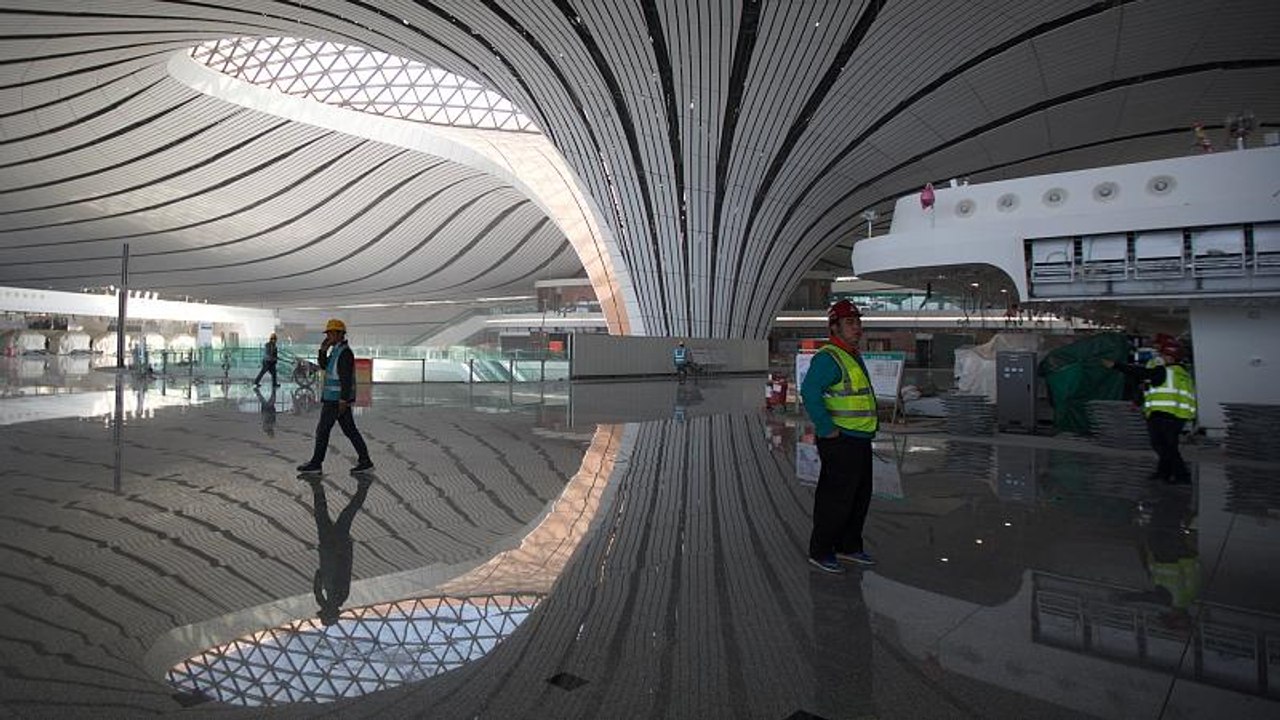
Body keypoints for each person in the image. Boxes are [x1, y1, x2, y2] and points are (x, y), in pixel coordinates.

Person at [800, 300, 878, 574]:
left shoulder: (852, 354)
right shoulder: (829, 357)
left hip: (859, 438)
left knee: (859, 496)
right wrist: (826, 429)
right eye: (850, 323)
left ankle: (848, 546)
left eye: (858, 322)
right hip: (839, 439)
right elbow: (809, 392)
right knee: (836, 498)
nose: (857, 328)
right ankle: (821, 551)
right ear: (834, 328)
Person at [1102, 337, 1196, 484]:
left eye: (1163, 354)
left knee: (1165, 447)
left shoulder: (1164, 371)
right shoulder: (1181, 372)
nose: (1160, 357)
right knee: (1166, 446)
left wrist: (1116, 365)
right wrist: (1139, 400)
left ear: (1170, 356)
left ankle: (1181, 476)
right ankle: (1164, 473)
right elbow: (1148, 383)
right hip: (1176, 415)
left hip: (1164, 414)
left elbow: (1142, 373)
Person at [296, 319, 374, 474]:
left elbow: (345, 379)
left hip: (336, 401)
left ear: (340, 334)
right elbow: (324, 366)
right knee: (350, 431)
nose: (328, 336)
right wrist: (323, 350)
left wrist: (344, 400)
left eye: (331, 333)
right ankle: (365, 461)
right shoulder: (337, 350)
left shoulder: (345, 353)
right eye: (328, 333)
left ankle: (316, 464)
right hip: (334, 399)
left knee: (323, 431)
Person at [308, 474, 372, 626]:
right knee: (347, 513)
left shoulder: (326, 598)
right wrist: (341, 550)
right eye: (325, 612)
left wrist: (321, 599)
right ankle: (364, 486)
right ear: (331, 612)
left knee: (322, 515)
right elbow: (344, 569)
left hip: (328, 548)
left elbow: (319, 579)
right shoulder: (340, 597)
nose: (323, 610)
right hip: (338, 546)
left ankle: (316, 486)